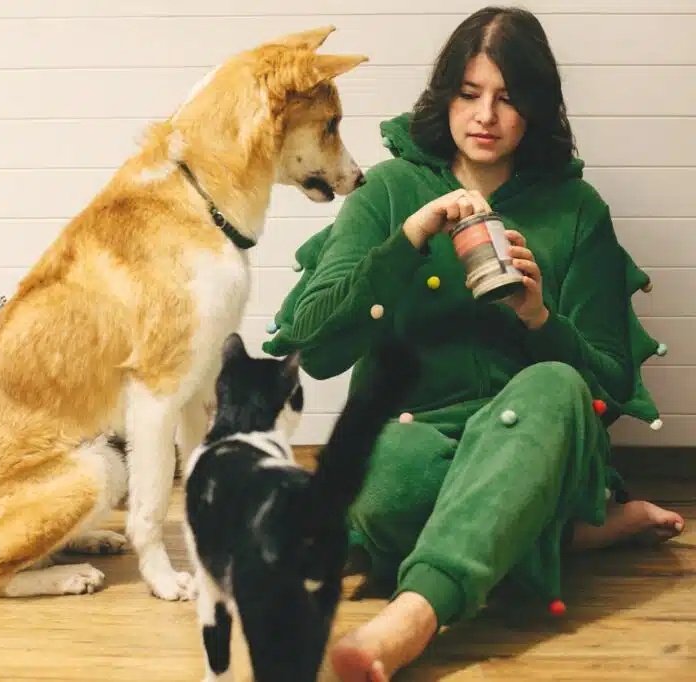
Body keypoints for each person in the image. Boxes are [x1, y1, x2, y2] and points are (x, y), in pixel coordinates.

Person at [260, 6, 686, 681]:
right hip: (413, 437)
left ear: (538, 108)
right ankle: (571, 531)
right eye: (469, 93)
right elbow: (313, 342)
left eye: (508, 99)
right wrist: (406, 244)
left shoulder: (578, 212)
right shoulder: (392, 190)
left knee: (555, 386)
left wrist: (541, 316)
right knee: (389, 478)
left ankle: (409, 619)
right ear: (444, 97)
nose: (485, 115)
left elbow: (605, 389)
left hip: (538, 434)